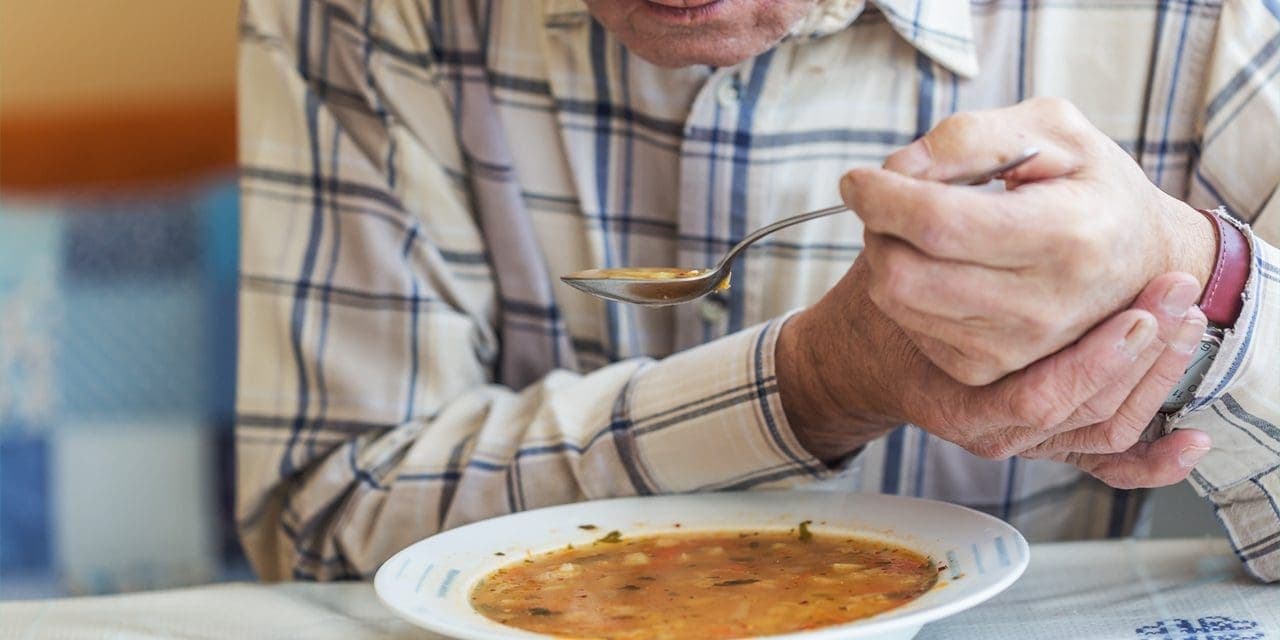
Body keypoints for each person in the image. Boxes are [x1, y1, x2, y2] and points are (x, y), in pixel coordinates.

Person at [235, 0, 1280, 582]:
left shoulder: (1191, 22)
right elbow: (324, 519)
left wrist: (1194, 270)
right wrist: (807, 383)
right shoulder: (374, 15)